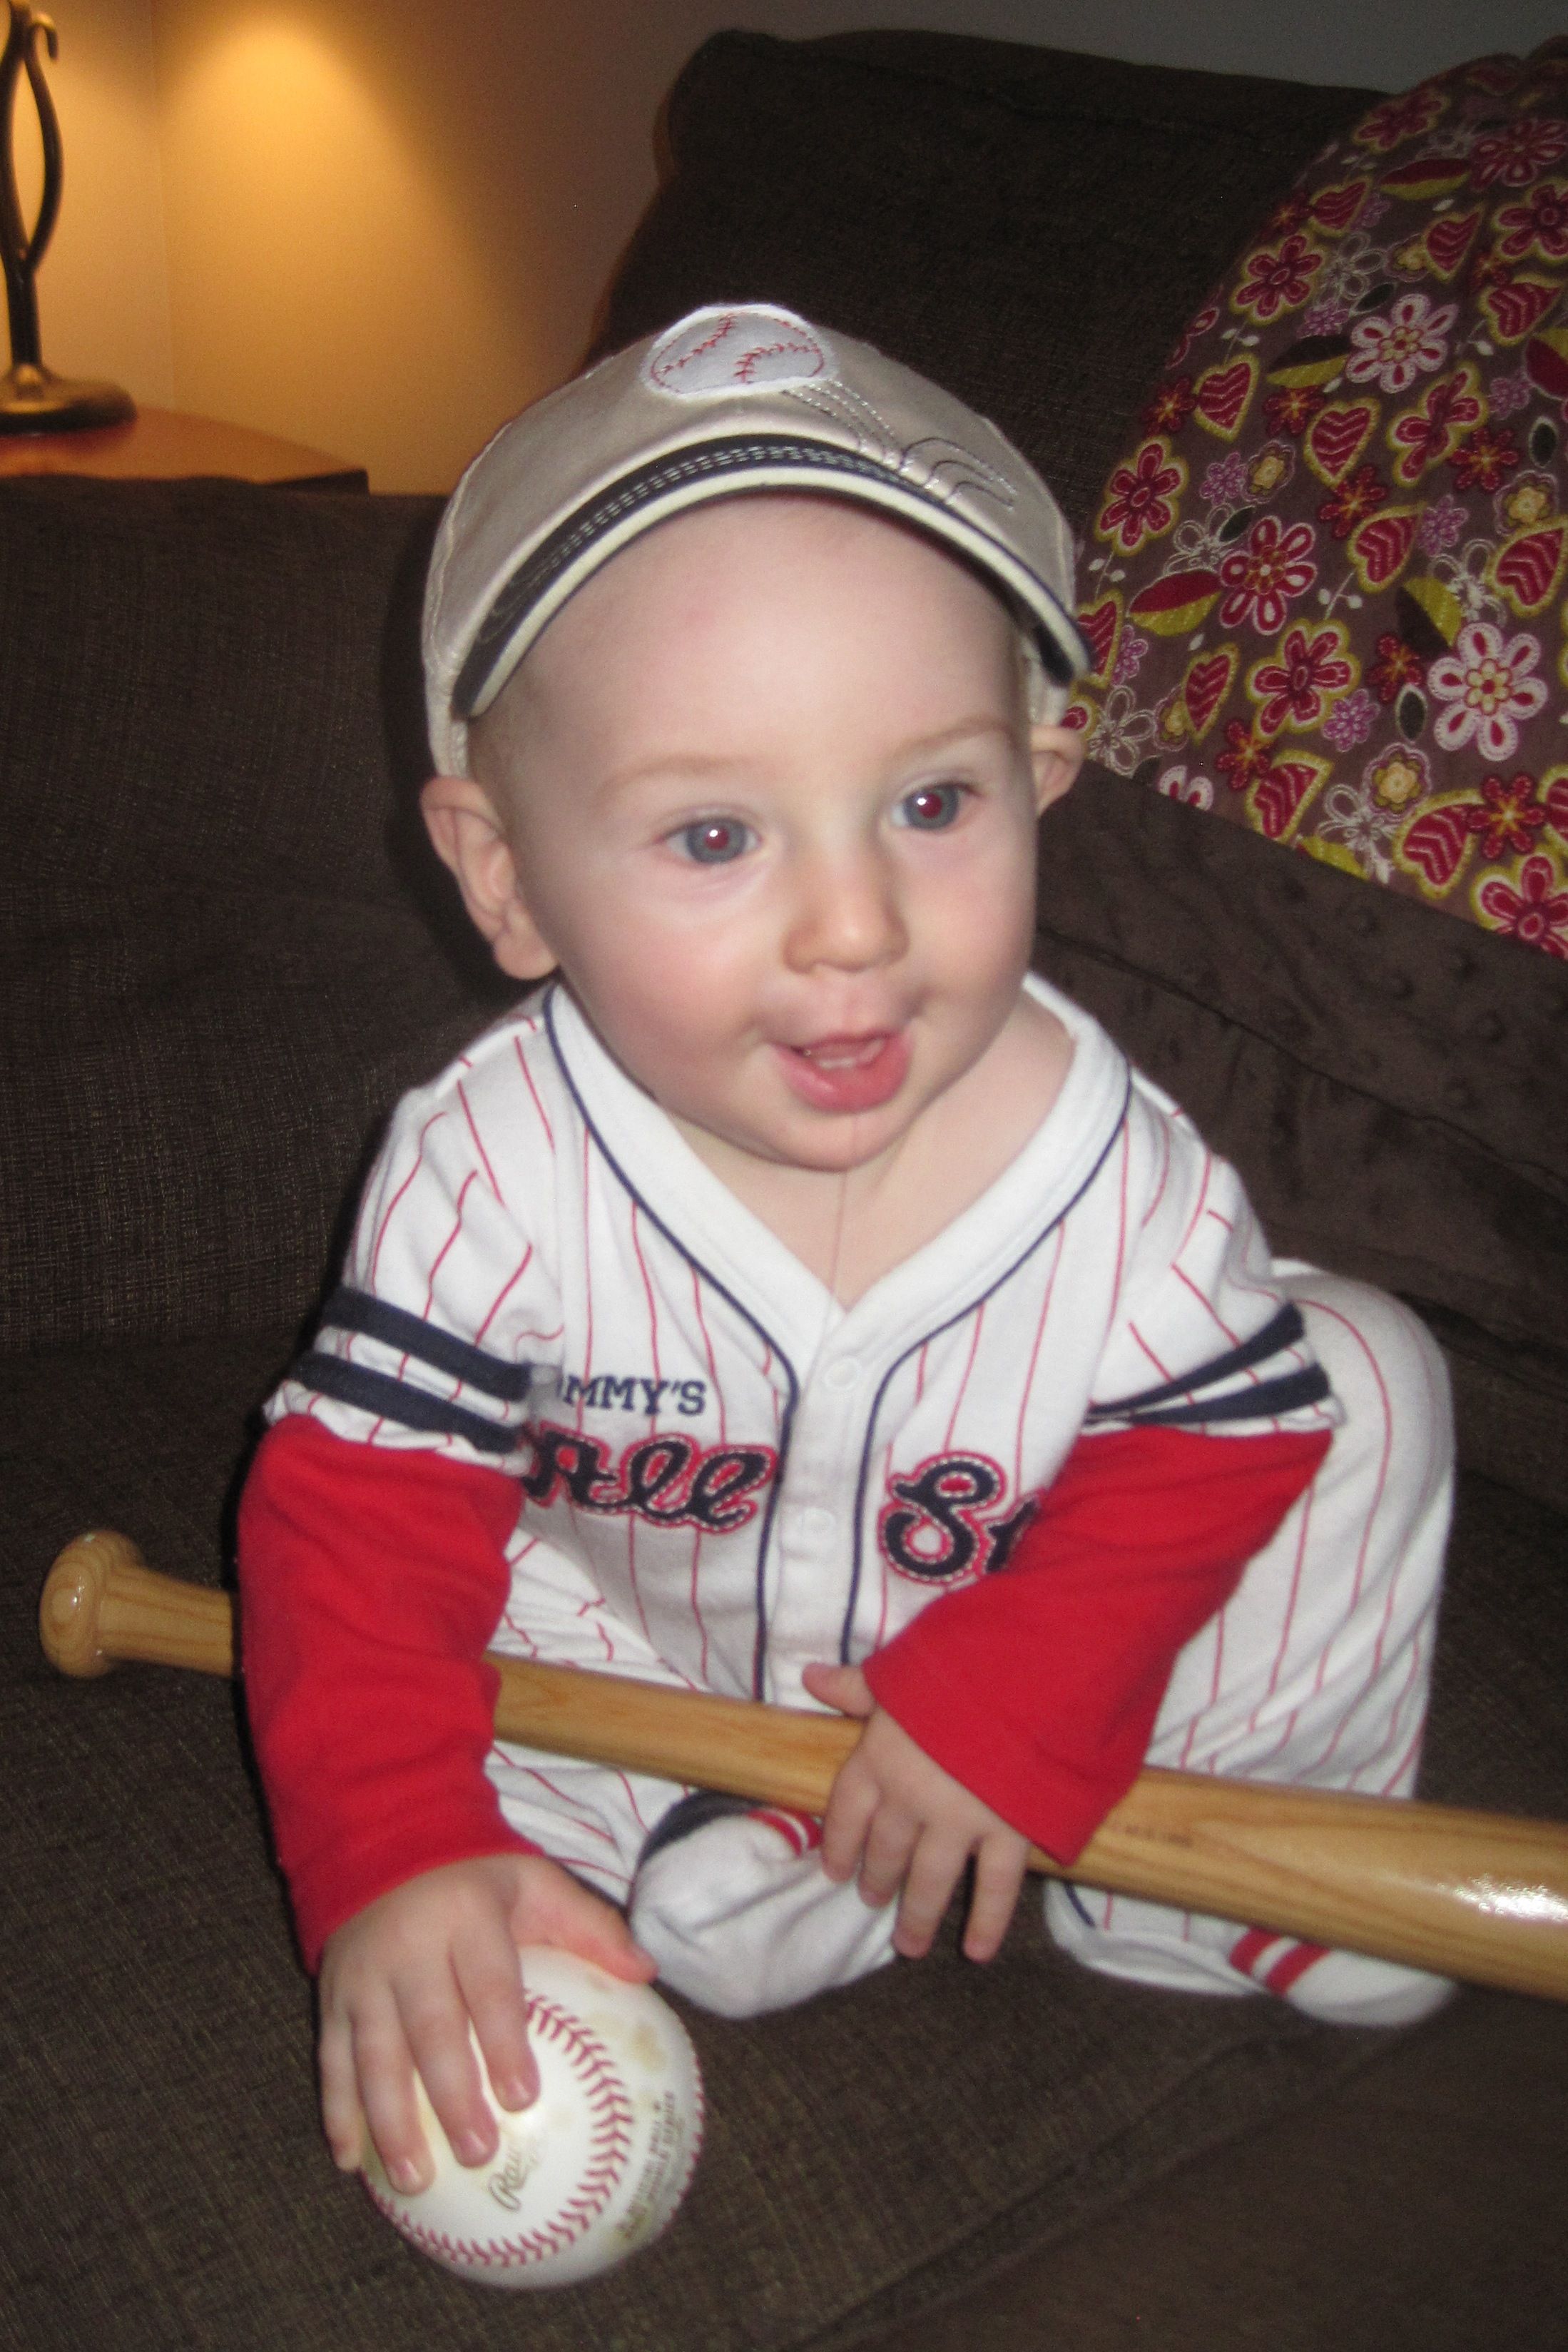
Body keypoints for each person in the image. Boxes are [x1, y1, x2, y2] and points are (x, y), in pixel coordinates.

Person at [237, 304, 1455, 2204]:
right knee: (484, 1843)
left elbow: (1219, 1434)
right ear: (505, 878)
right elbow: (359, 1517)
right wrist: (389, 1847)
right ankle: (748, 1846)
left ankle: (1203, 1868)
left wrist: (1009, 1699)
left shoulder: (1115, 1168)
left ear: (1044, 771)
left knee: (1361, 1372)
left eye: (930, 803)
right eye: (716, 834)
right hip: (631, 1650)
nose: (853, 925)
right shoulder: (489, 1166)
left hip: (1009, 1608)